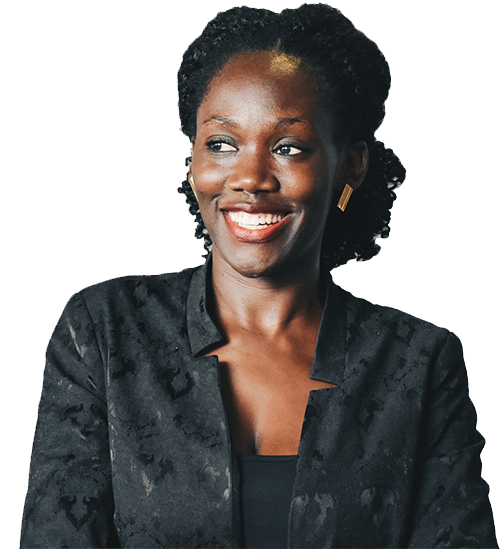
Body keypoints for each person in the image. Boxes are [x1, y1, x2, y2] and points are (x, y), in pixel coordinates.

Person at [20, 3, 497, 548]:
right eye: (222, 144)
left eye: (288, 148)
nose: (249, 178)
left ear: (351, 164)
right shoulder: (104, 333)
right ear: (193, 159)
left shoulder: (417, 362)